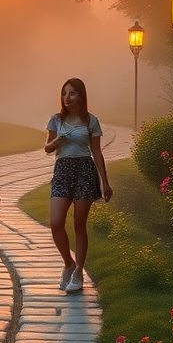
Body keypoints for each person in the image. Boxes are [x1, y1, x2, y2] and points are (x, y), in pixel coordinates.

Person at [44, 77, 113, 293]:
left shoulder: (91, 121)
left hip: (84, 170)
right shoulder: (56, 120)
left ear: (81, 96)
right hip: (62, 171)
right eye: (64, 93)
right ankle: (68, 263)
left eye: (72, 93)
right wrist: (56, 142)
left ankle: (79, 272)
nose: (67, 97)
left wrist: (105, 182)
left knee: (78, 224)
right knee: (56, 223)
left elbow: (97, 152)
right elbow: (47, 148)